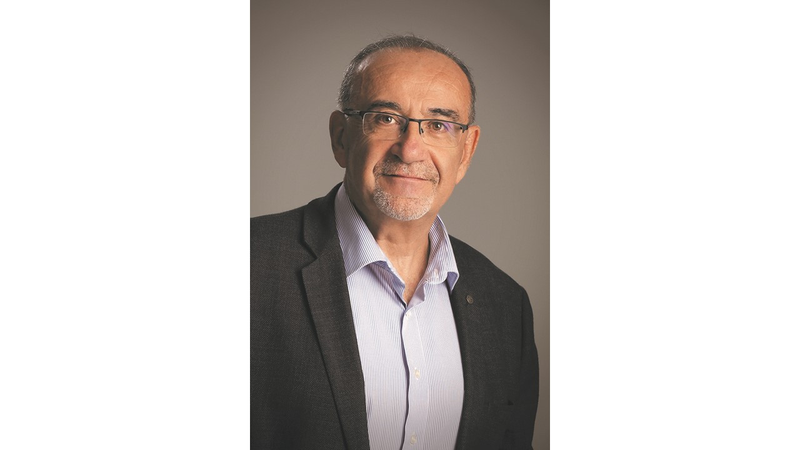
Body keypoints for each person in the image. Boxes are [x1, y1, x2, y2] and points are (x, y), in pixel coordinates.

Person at [251, 35, 539, 450]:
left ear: (466, 151)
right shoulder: (251, 266)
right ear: (341, 137)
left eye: (438, 125)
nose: (410, 149)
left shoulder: (506, 305)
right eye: (386, 118)